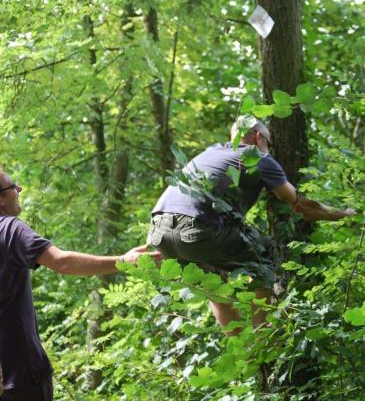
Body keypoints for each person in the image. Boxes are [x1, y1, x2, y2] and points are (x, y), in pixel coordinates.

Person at [147, 116, 354, 332]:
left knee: (212, 286)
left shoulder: (210, 153)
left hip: (158, 232)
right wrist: (347, 214)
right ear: (258, 137)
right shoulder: (258, 157)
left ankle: (246, 355)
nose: (269, 149)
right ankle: (263, 340)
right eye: (269, 143)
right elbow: (303, 206)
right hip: (197, 230)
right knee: (265, 255)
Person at [0, 169, 161, 400]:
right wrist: (123, 262)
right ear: (1, 198)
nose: (19, 190)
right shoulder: (10, 228)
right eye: (13, 186)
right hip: (22, 378)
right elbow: (62, 263)